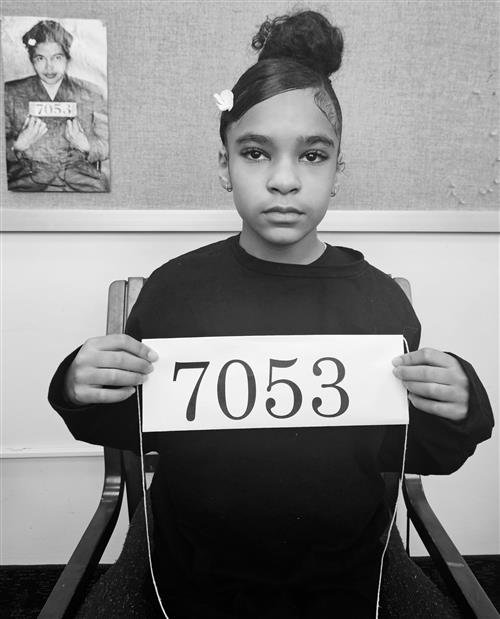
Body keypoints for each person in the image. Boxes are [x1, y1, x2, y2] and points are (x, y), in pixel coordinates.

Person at [48, 10, 493, 618]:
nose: (284, 180)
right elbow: (131, 426)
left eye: (313, 155)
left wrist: (460, 406)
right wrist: (78, 383)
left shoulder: (380, 303)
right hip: (192, 569)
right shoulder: (174, 291)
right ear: (223, 167)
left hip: (347, 571)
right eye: (256, 153)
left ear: (339, 172)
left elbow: (416, 456)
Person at [4, 19, 109, 192]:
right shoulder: (10, 92)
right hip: (26, 182)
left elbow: (106, 143)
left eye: (57, 57)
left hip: (83, 183)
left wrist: (86, 145)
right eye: (40, 58)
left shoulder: (92, 92)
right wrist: (17, 145)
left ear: (67, 58)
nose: (49, 66)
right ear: (32, 60)